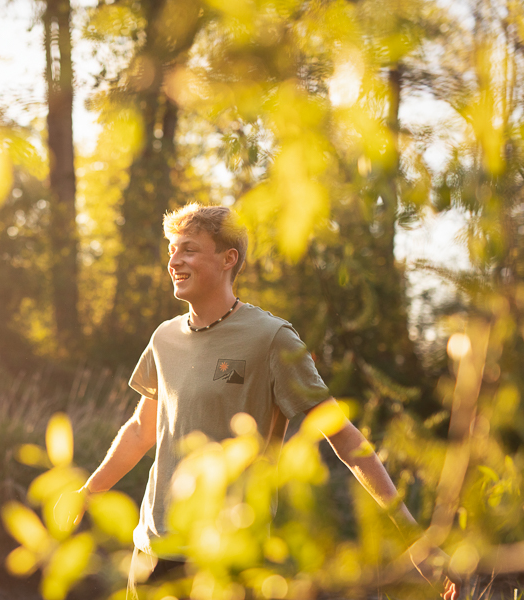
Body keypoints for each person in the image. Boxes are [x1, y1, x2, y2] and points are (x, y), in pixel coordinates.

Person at [59, 203, 457, 600]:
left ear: (228, 258)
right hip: (151, 553)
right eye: (171, 251)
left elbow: (345, 439)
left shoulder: (272, 338)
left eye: (189, 250)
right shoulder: (163, 338)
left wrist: (412, 537)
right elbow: (143, 430)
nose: (174, 261)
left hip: (229, 559)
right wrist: (87, 492)